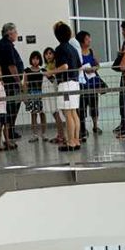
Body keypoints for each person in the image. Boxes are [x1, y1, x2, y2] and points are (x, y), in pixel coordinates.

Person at [49, 22, 82, 152]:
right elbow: (79, 66)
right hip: (75, 82)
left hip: (66, 84)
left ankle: (70, 142)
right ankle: (76, 140)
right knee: (74, 113)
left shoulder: (60, 49)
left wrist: (50, 72)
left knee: (68, 113)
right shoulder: (73, 48)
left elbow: (64, 67)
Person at [0, 23, 25, 140]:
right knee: (11, 108)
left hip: (6, 82)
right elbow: (12, 66)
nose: (17, 34)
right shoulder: (6, 46)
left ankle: (10, 131)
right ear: (9, 33)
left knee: (11, 108)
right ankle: (9, 133)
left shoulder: (2, 44)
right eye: (15, 32)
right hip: (10, 83)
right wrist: (18, 82)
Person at [77, 31, 104, 139]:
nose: (90, 40)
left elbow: (98, 64)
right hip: (82, 84)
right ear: (82, 41)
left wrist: (93, 68)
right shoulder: (77, 53)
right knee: (82, 107)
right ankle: (82, 128)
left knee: (94, 106)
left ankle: (95, 126)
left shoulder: (91, 51)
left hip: (92, 83)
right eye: (87, 38)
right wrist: (84, 69)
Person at [23, 51, 47, 143]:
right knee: (33, 114)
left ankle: (44, 134)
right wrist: (25, 96)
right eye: (33, 58)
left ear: (40, 60)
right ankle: (34, 134)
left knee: (42, 113)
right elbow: (24, 83)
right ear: (31, 59)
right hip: (32, 94)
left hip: (42, 94)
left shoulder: (43, 70)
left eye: (37, 59)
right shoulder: (27, 71)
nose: (35, 61)